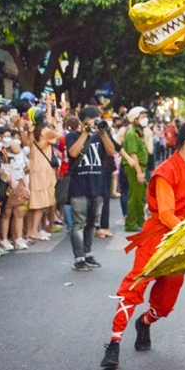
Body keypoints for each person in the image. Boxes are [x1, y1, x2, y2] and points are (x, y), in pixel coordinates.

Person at [100, 120, 185, 370]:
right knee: (134, 286)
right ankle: (114, 343)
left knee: (165, 303)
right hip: (158, 237)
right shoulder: (165, 171)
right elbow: (165, 214)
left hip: (181, 240)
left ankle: (145, 322)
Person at [67, 107, 116, 271]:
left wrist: (103, 133)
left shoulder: (100, 137)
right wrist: (86, 132)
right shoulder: (72, 136)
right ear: (83, 120)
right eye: (91, 119)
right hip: (79, 185)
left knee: (92, 223)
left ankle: (88, 254)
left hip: (98, 185)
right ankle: (78, 258)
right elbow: (73, 153)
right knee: (78, 223)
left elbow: (111, 152)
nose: (95, 122)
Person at [25, 107, 59, 242]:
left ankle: (29, 231)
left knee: (33, 203)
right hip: (44, 170)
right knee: (40, 202)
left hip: (34, 168)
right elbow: (59, 134)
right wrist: (59, 121)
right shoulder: (46, 132)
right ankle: (34, 231)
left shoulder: (31, 132)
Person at [120, 107, 151, 233]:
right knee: (134, 196)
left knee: (140, 196)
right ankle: (131, 224)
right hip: (134, 168)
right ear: (135, 119)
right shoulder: (131, 134)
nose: (145, 119)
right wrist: (139, 172)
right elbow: (133, 155)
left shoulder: (139, 132)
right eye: (142, 117)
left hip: (140, 167)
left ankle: (140, 221)